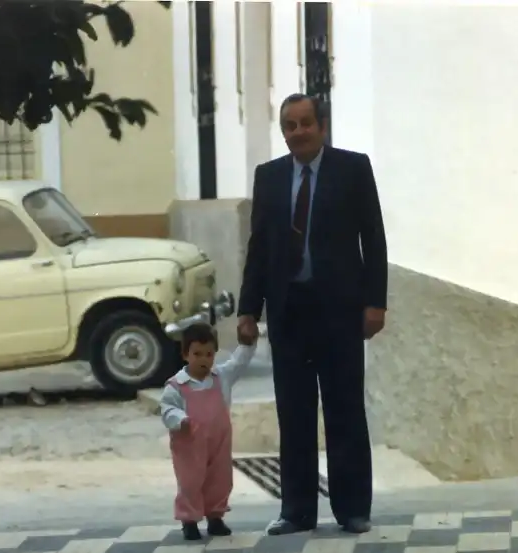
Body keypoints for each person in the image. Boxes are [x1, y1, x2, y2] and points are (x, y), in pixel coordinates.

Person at [237, 93, 388, 535]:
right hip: (290, 314)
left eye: (305, 123)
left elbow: (373, 238)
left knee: (344, 411)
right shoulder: (269, 177)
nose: (298, 132)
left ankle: (352, 509)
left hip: (339, 312)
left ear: (322, 126)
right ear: (283, 131)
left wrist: (375, 302)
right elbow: (259, 249)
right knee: (295, 414)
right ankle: (297, 511)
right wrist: (249, 309)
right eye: (290, 125)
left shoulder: (352, 169)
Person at [160, 323, 257, 541]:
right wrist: (180, 420)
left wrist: (248, 344)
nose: (204, 359)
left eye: (209, 354)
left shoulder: (221, 377)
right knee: (191, 481)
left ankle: (215, 517)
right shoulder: (176, 386)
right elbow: (167, 409)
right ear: (185, 354)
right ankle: (189, 520)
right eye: (197, 354)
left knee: (220, 478)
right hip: (189, 444)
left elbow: (239, 363)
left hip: (219, 441)